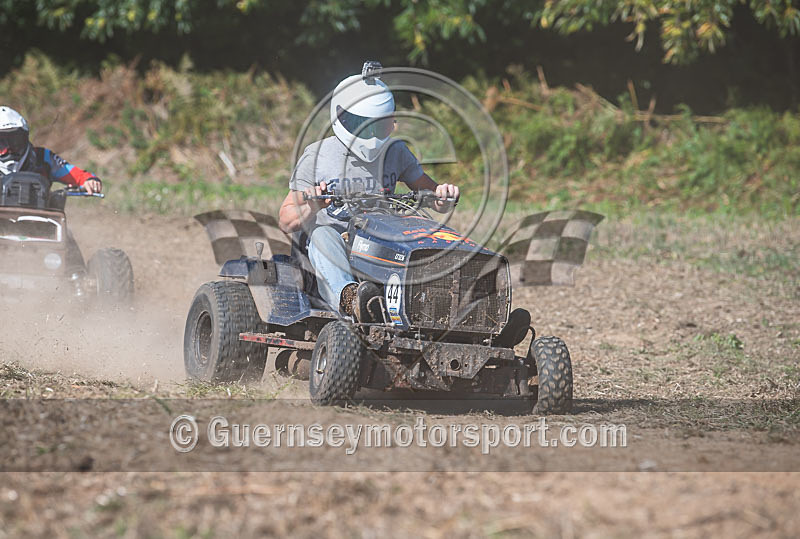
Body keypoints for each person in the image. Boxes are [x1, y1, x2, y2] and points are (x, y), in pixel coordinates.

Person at [278, 61, 459, 320]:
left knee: (424, 234)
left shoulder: (397, 153)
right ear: (343, 118)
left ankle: (450, 311)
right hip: (336, 242)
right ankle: (350, 299)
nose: (372, 136)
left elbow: (432, 194)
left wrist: (444, 197)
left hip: (380, 239)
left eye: (379, 126)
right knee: (322, 234)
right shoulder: (318, 155)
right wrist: (315, 204)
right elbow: (286, 219)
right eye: (364, 126)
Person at [0, 106, 102, 194]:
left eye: (15, 141)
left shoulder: (42, 158)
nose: (8, 150)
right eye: (1, 143)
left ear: (25, 138)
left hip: (40, 215)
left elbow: (74, 174)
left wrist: (90, 180)